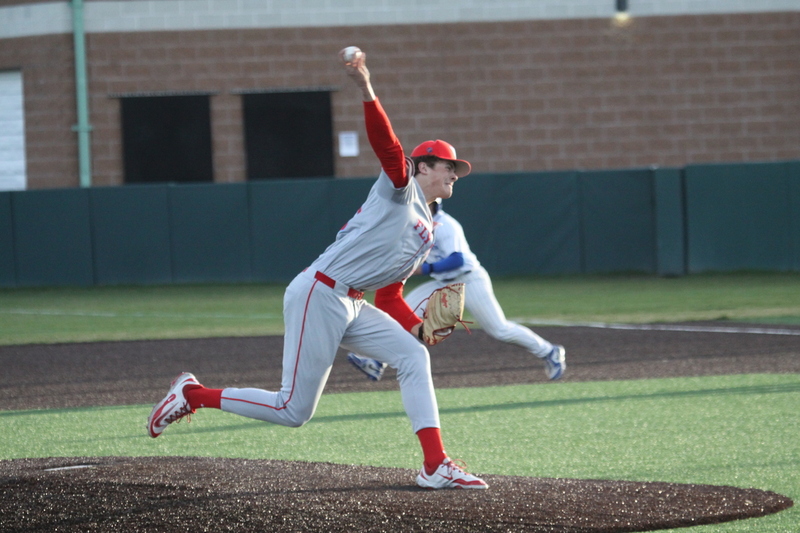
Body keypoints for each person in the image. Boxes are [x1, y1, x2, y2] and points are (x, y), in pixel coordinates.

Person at [146, 46, 487, 490]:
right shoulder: (401, 190)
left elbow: (389, 296)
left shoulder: (425, 235)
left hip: (352, 302)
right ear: (423, 167)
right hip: (320, 292)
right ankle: (192, 395)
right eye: (448, 166)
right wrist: (366, 88)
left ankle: (434, 465)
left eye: (456, 169)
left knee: (412, 356)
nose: (455, 174)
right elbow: (387, 145)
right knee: (293, 411)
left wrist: (418, 328)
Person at [348, 199, 566, 381]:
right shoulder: (414, 225)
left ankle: (549, 351)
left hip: (470, 280)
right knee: (404, 314)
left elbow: (457, 260)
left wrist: (425, 268)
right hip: (442, 282)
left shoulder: (446, 225)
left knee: (499, 329)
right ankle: (376, 361)